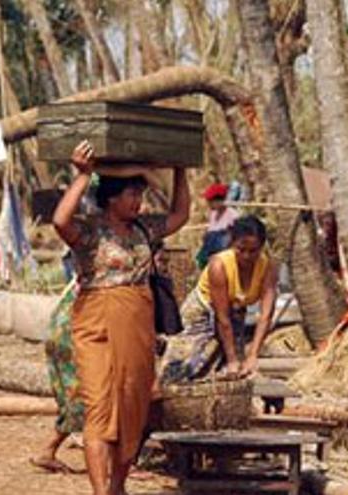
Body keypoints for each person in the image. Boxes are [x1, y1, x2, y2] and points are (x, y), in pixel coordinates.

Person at [53, 140, 190, 495]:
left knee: (133, 405)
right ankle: (101, 491)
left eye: (140, 192)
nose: (138, 200)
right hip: (96, 321)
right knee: (99, 407)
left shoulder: (146, 228)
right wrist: (83, 175)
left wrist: (180, 170)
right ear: (112, 196)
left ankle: (117, 486)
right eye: (132, 193)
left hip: (138, 325)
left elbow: (180, 216)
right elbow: (59, 220)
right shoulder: (91, 230)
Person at [159, 215, 277, 382]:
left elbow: (265, 316)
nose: (246, 257)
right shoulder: (219, 266)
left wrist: (253, 356)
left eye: (253, 251)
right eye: (241, 249)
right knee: (182, 368)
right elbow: (222, 318)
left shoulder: (268, 268)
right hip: (202, 312)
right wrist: (232, 359)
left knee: (237, 372)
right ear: (232, 243)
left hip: (234, 313)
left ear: (262, 247)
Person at [30, 278, 85, 474]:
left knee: (75, 397)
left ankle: (48, 451)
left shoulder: (85, 276)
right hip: (72, 334)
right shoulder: (117, 277)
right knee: (83, 396)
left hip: (62, 330)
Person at [195, 183, 239, 269]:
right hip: (210, 252)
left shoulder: (232, 215)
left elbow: (235, 239)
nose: (208, 204)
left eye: (210, 201)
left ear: (219, 201)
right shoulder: (213, 214)